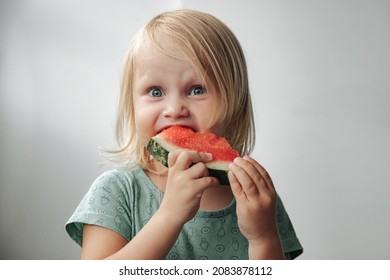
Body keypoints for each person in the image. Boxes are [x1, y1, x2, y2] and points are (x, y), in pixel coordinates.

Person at [65, 9, 303, 260]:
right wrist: (170, 215)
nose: (174, 109)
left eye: (197, 89)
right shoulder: (118, 191)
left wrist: (263, 237)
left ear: (235, 104)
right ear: (131, 104)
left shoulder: (256, 196)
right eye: (155, 92)